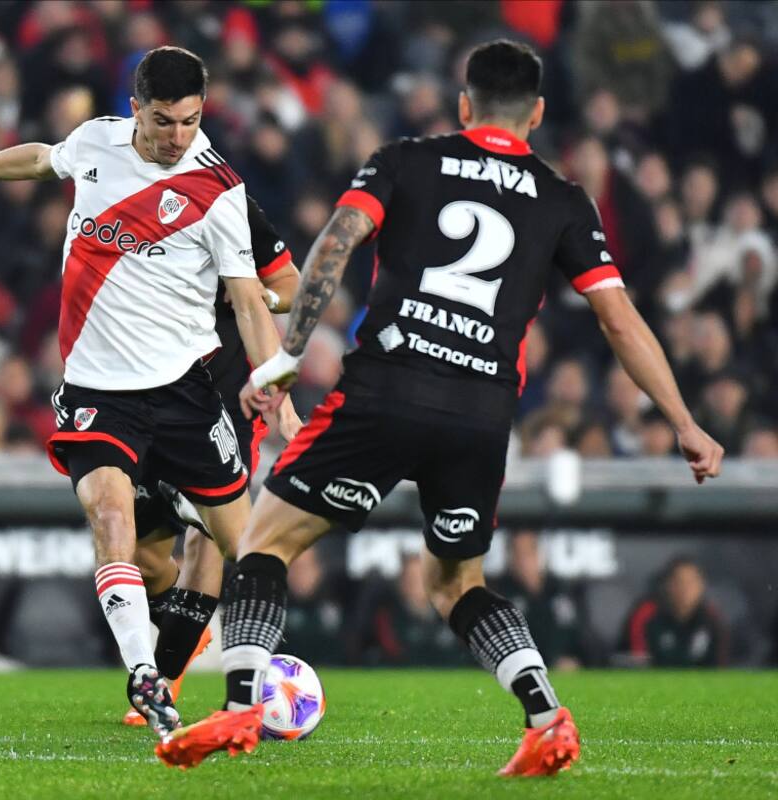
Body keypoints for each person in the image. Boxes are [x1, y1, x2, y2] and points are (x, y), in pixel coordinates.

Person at [158, 39, 724, 775]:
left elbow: (336, 243)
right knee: (457, 582)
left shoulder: (407, 161)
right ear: (538, 113)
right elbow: (619, 319)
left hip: (386, 390)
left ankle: (239, 707)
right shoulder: (562, 198)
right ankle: (547, 714)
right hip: (482, 414)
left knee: (265, 542)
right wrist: (683, 421)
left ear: (464, 106)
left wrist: (288, 355)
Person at [0, 46, 283, 738]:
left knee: (254, 549)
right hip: (97, 392)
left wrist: (275, 386)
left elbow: (252, 302)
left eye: (192, 122)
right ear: (135, 108)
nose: (179, 138)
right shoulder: (96, 142)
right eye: (165, 122)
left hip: (185, 395)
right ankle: (147, 677)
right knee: (110, 517)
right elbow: (39, 158)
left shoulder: (219, 189)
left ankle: (263, 677)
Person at [122, 191, 302, 727]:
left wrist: (249, 295)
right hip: (147, 396)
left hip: (224, 397)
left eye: (187, 125)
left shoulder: (230, 202)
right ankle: (190, 631)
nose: (175, 140)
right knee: (141, 558)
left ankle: (167, 676)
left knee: (210, 539)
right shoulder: (119, 193)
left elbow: (289, 286)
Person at [491, 531, 589, 669]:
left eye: (529, 553)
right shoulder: (500, 596)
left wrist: (573, 658)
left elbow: (576, 635)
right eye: (517, 554)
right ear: (510, 558)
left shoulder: (560, 592)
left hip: (564, 669)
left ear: (539, 555)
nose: (523, 561)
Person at [622, 556, 729, 668]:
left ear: (701, 586)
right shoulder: (646, 614)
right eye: (679, 582)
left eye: (691, 582)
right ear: (668, 585)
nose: (686, 589)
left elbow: (720, 666)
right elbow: (635, 662)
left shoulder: (711, 617)